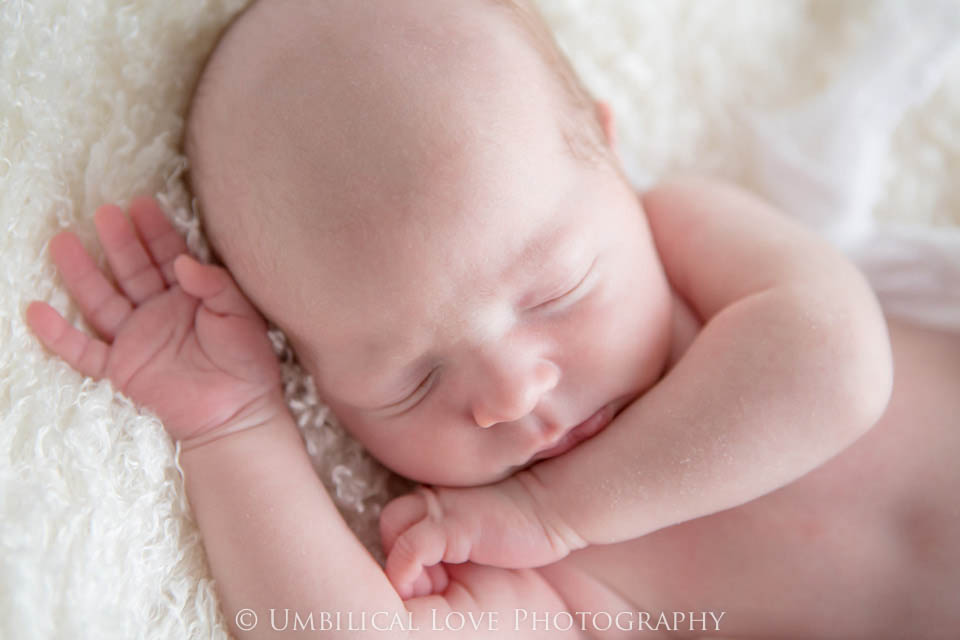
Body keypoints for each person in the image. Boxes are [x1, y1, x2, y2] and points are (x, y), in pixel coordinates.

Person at [25, 0, 960, 637]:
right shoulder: (538, 583)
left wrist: (553, 511)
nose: (512, 392)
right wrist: (233, 430)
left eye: (556, 291)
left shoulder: (696, 250)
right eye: (412, 378)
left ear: (607, 153)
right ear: (314, 381)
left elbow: (839, 373)